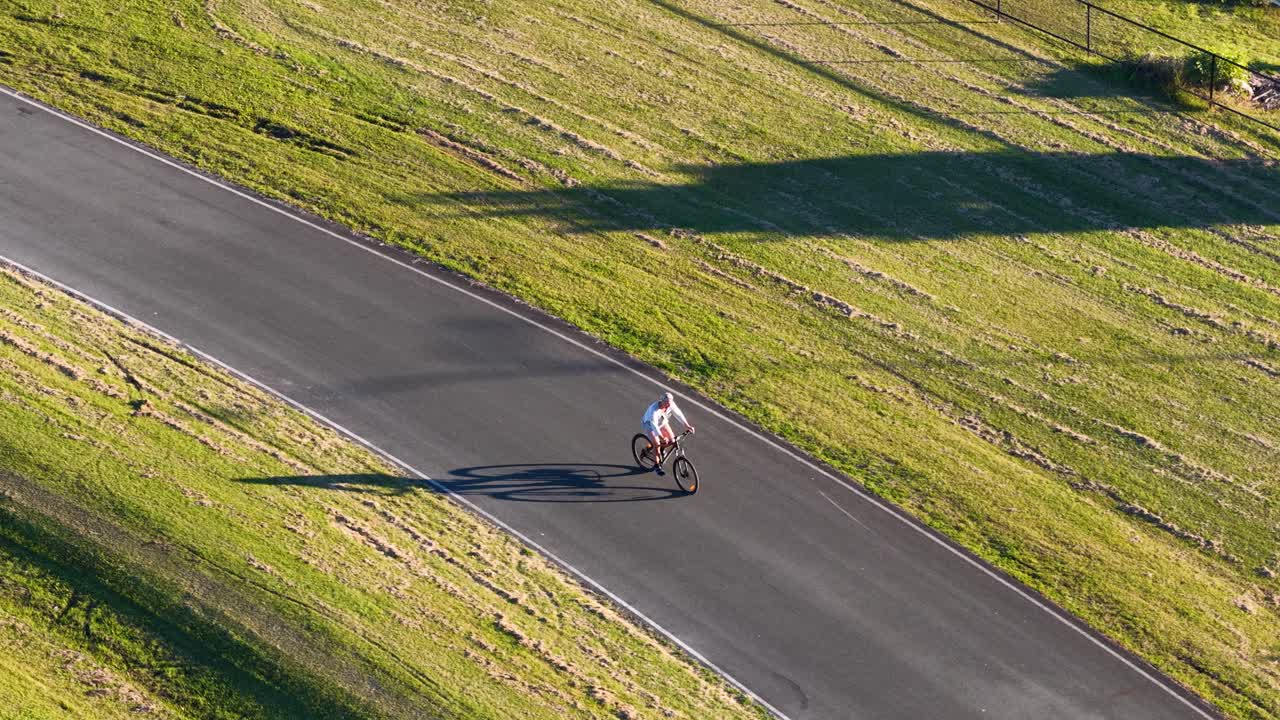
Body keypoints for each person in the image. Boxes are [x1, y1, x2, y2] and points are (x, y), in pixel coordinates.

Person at [642, 391, 694, 475]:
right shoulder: (654, 411)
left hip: (662, 423)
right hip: (650, 425)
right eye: (667, 403)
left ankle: (662, 448)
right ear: (662, 401)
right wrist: (661, 437)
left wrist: (687, 425)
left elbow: (678, 414)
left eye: (670, 403)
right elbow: (654, 426)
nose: (669, 405)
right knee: (657, 444)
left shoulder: (671, 404)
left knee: (673, 440)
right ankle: (657, 465)